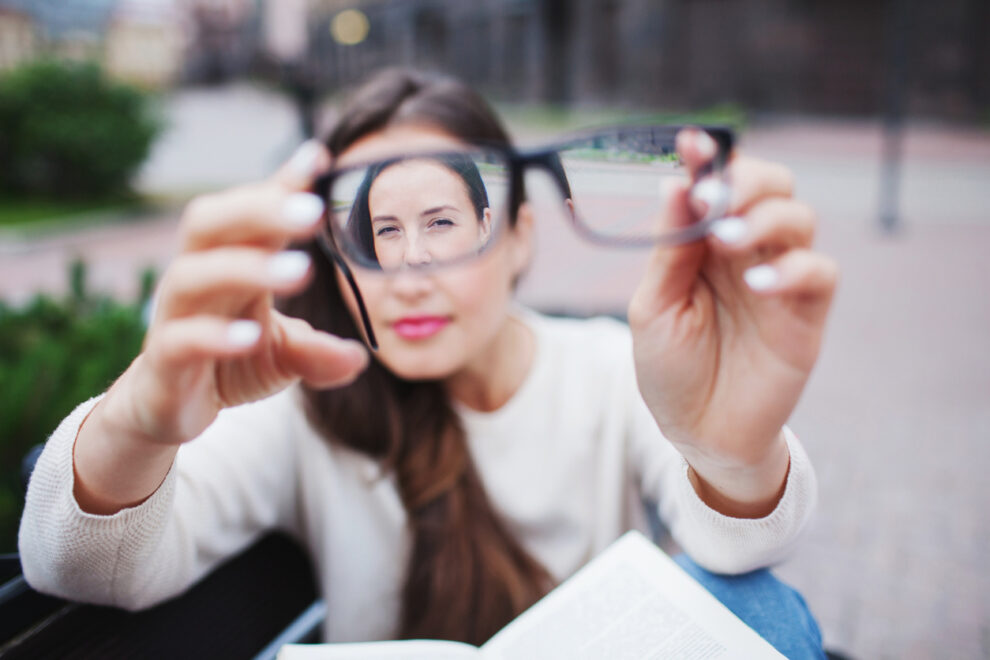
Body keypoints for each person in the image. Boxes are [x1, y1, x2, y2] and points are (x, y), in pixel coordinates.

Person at [19, 68, 836, 658]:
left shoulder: (608, 370)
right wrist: (138, 418)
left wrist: (729, 451)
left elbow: (739, 552)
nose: (409, 273)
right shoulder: (308, 390)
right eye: (378, 231)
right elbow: (81, 568)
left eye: (443, 222)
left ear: (518, 235)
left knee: (760, 609)